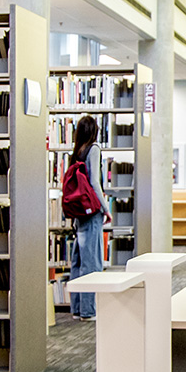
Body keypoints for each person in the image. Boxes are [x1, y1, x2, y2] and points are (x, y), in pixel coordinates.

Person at [66, 115, 107, 321]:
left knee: (79, 261)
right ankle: (89, 311)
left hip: (79, 213)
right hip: (91, 212)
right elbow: (95, 183)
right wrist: (106, 208)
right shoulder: (94, 149)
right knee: (92, 262)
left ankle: (76, 308)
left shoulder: (77, 151)